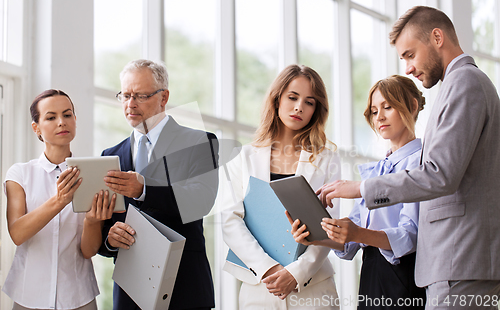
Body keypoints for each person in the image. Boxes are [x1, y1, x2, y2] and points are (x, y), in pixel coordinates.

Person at [316, 6, 500, 309]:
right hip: (454, 261)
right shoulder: (459, 85)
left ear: (437, 37)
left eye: (410, 54)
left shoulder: (464, 82)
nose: (409, 69)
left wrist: (361, 188)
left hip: (459, 257)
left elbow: (440, 174)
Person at [290, 75, 427, 309]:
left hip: (403, 276)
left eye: (388, 107)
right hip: (371, 273)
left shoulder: (421, 163)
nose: (379, 117)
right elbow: (348, 243)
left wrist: (358, 234)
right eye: (374, 111)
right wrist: (316, 234)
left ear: (412, 106)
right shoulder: (378, 170)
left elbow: (410, 236)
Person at [97, 59, 218, 310]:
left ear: (164, 97)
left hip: (184, 287)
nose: (130, 104)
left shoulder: (198, 142)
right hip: (129, 288)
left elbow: (201, 200)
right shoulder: (110, 155)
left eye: (140, 95)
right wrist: (109, 239)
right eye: (125, 95)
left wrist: (143, 189)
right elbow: (102, 226)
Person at [222, 64, 342, 309]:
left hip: (314, 288)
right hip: (259, 288)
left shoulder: (326, 160)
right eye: (292, 97)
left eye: (309, 102)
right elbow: (230, 222)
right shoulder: (243, 157)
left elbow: (330, 226)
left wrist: (296, 273)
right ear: (277, 100)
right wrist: (270, 269)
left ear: (315, 111)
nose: (299, 107)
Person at [3, 89, 116, 310]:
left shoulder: (95, 174)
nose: (61, 122)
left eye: (67, 115)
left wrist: (93, 221)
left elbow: (88, 251)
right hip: (28, 296)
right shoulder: (19, 174)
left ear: (75, 120)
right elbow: (17, 233)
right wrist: (60, 200)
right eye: (51, 117)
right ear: (36, 128)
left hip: (79, 297)